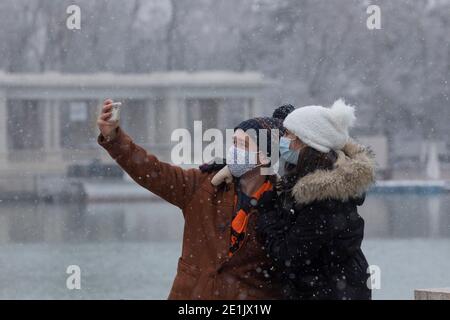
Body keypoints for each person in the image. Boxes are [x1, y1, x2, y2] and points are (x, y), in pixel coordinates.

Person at [97, 99, 285, 299]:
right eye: (234, 143)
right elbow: (152, 171)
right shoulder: (202, 185)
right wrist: (114, 138)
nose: (234, 150)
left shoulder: (283, 203)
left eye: (243, 145)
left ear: (264, 157)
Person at [257, 99, 376, 300]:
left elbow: (287, 254)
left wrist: (267, 213)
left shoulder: (321, 199)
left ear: (307, 142)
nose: (283, 140)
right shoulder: (326, 186)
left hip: (326, 291)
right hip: (337, 288)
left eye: (288, 135)